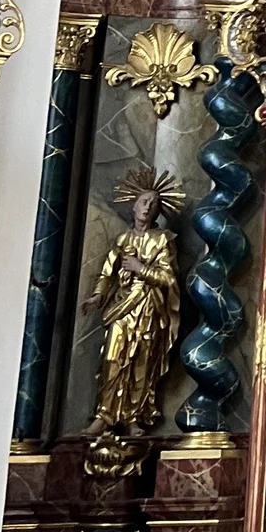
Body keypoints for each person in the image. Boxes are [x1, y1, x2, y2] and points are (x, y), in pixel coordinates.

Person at [87, 172, 183, 439]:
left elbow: (168, 278)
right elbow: (107, 274)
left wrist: (141, 269)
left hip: (149, 308)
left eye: (154, 203)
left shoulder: (163, 240)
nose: (148, 206)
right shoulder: (121, 240)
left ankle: (132, 417)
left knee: (141, 362)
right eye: (144, 201)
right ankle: (104, 415)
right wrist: (97, 296)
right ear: (134, 205)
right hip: (122, 306)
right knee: (112, 358)